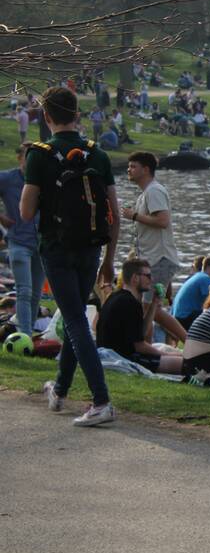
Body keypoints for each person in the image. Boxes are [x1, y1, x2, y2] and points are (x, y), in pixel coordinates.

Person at [21, 86, 120, 427]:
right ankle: (60, 390)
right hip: (91, 247)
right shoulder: (97, 154)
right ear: (77, 114)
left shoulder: (39, 155)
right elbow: (114, 215)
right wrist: (109, 260)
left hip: (57, 247)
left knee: (75, 321)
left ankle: (101, 401)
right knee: (73, 316)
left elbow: (25, 212)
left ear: (45, 116)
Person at [96, 258, 183, 374]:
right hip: (123, 356)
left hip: (113, 352)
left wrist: (154, 303)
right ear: (135, 278)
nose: (151, 279)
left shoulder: (116, 296)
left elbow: (141, 334)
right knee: (185, 364)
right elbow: (139, 346)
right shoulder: (130, 303)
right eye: (148, 276)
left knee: (177, 357)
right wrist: (166, 354)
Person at [120, 152, 180, 300]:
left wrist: (134, 216)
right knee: (150, 306)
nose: (128, 170)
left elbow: (162, 221)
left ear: (146, 170)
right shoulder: (145, 193)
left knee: (150, 306)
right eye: (129, 166)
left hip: (159, 259)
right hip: (151, 260)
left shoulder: (154, 191)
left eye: (133, 166)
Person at [0, 144, 43, 335]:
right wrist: (1, 218)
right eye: (28, 157)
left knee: (36, 293)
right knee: (24, 291)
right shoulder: (8, 179)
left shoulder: (45, 179)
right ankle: (25, 334)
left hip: (42, 243)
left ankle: (28, 333)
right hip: (18, 241)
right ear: (19, 158)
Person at [172, 255, 210, 330]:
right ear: (208, 268)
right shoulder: (205, 279)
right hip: (185, 318)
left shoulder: (198, 275)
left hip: (177, 316)